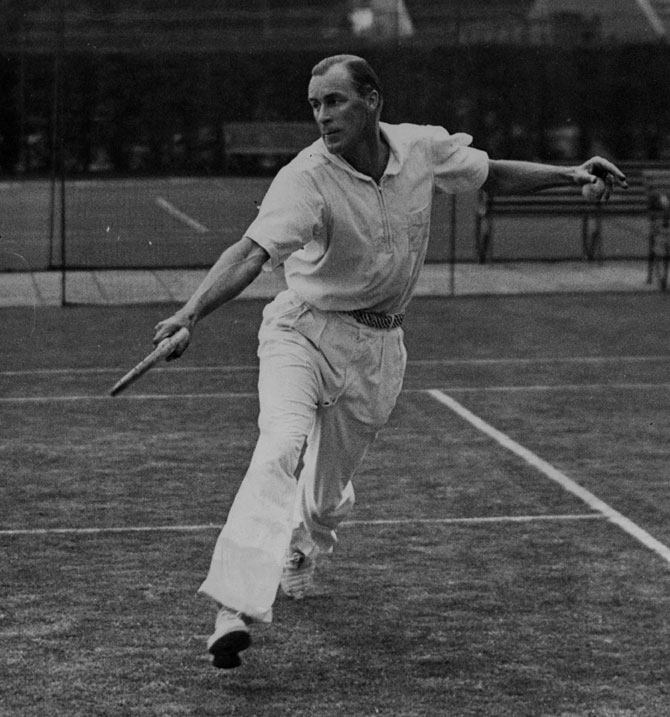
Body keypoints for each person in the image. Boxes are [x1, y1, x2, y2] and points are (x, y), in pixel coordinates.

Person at [152, 54, 627, 670]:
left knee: (321, 504)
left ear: (372, 100)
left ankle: (306, 545)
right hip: (303, 333)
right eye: (315, 104)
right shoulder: (305, 177)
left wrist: (569, 173)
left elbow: (491, 174)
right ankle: (233, 607)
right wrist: (190, 312)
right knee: (279, 447)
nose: (322, 116)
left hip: (379, 353)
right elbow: (250, 253)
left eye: (335, 101)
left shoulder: (423, 149)